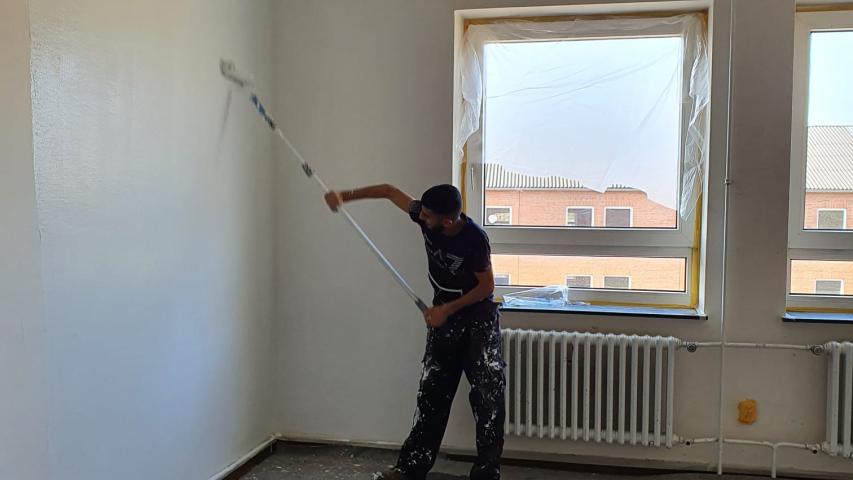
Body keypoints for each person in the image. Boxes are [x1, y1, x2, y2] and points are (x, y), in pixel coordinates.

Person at [324, 183, 506, 480]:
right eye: (422, 211)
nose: (420, 216)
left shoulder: (474, 239)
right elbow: (388, 191)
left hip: (478, 321)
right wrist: (344, 196)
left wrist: (446, 310)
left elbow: (487, 287)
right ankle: (410, 469)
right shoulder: (425, 215)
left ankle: (486, 474)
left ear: (448, 221)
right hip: (445, 319)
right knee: (432, 394)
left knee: (488, 399)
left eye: (427, 215)